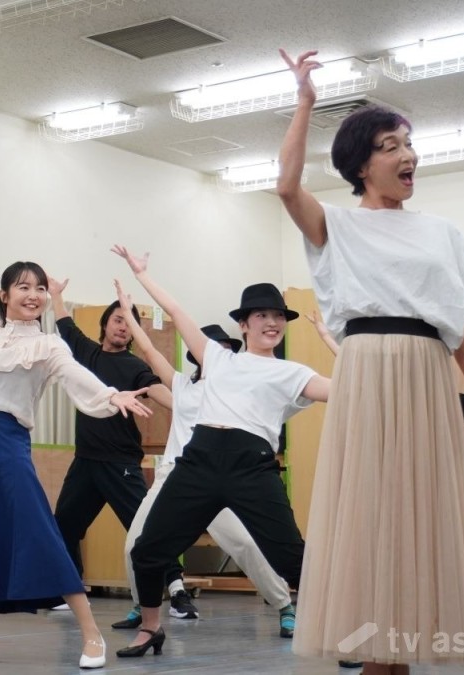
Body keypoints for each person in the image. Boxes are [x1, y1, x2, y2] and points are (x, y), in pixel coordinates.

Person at [279, 48, 464, 673]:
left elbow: (460, 319)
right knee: (374, 514)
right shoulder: (337, 226)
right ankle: (379, 654)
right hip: (370, 369)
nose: (408, 155)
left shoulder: (440, 232)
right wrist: (304, 102)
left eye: (408, 143)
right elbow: (287, 187)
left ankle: (401, 652)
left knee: (423, 515)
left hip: (426, 370)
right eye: (390, 145)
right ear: (360, 165)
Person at [0, 260, 152, 670]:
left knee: (41, 532)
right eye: (23, 287)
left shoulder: (49, 346)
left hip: (8, 442)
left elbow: (75, 375)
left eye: (39, 289)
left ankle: (91, 634)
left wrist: (112, 396)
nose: (33, 295)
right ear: (4, 295)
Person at [113, 245, 329, 659]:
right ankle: (150, 628)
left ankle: (334, 629)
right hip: (198, 462)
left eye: (278, 316)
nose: (272, 322)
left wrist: (339, 345)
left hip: (252, 468)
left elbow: (342, 390)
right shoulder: (217, 358)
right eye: (262, 315)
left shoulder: (292, 372)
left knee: (291, 557)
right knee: (147, 549)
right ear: (244, 324)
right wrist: (141, 276)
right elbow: (177, 312)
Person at [308, 311, 464, 646]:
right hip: (387, 492)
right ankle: (376, 626)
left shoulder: (438, 402)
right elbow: (350, 361)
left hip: (431, 489)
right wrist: (325, 334)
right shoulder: (377, 399)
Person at [46, 279, 199, 622]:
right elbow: (64, 323)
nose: (122, 328)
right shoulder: (86, 353)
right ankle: (70, 589)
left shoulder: (134, 367)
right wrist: (55, 294)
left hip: (121, 464)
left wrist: (188, 408)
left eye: (129, 324)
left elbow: (157, 390)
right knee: (64, 525)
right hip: (86, 462)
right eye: (118, 320)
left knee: (147, 530)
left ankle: (177, 592)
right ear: (105, 324)